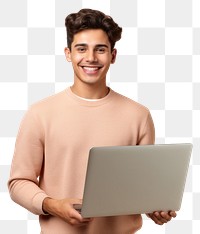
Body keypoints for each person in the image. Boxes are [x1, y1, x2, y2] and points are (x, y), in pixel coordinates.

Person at [8, 8, 176, 234]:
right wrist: (52, 205)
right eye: (81, 48)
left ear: (113, 56)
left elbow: (139, 190)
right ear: (68, 54)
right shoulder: (40, 113)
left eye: (100, 49)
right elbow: (19, 183)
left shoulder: (139, 116)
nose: (91, 58)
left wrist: (155, 208)